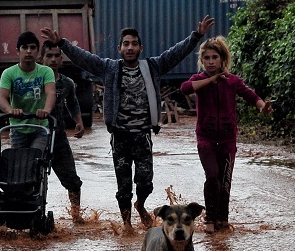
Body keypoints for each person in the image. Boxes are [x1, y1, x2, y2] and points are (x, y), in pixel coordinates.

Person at [40, 15, 215, 232]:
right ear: (119, 48)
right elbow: (84, 58)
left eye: (134, 44)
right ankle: (127, 225)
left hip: (142, 136)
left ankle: (140, 205)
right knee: (123, 187)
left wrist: (196, 36)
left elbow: (176, 53)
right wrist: (62, 44)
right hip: (120, 137)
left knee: (145, 183)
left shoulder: (153, 66)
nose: (130, 48)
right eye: (126, 44)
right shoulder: (110, 68)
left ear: (141, 47)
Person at [180, 36, 273, 233]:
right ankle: (210, 218)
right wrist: (211, 80)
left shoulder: (232, 81)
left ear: (222, 59)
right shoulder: (198, 80)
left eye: (215, 57)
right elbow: (184, 89)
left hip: (228, 140)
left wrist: (263, 107)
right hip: (205, 138)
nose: (211, 61)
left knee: (225, 181)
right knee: (212, 176)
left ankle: (223, 219)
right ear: (202, 60)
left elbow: (250, 95)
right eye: (207, 58)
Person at [41, 41, 85, 224]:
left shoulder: (67, 83)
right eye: (49, 56)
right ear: (41, 58)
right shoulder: (34, 81)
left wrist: (79, 123)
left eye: (56, 56)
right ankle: (34, 214)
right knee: (31, 181)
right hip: (34, 136)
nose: (53, 60)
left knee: (73, 181)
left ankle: (76, 216)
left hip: (58, 139)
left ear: (61, 59)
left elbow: (72, 103)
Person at [0, 31, 56, 151]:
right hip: (18, 128)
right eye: (25, 47)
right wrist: (11, 110)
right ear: (18, 51)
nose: (29, 51)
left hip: (40, 127)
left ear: (38, 51)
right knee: (19, 164)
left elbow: (51, 93)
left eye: (32, 48)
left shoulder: (46, 71)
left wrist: (46, 110)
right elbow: (1, 98)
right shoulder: (9, 73)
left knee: (36, 159)